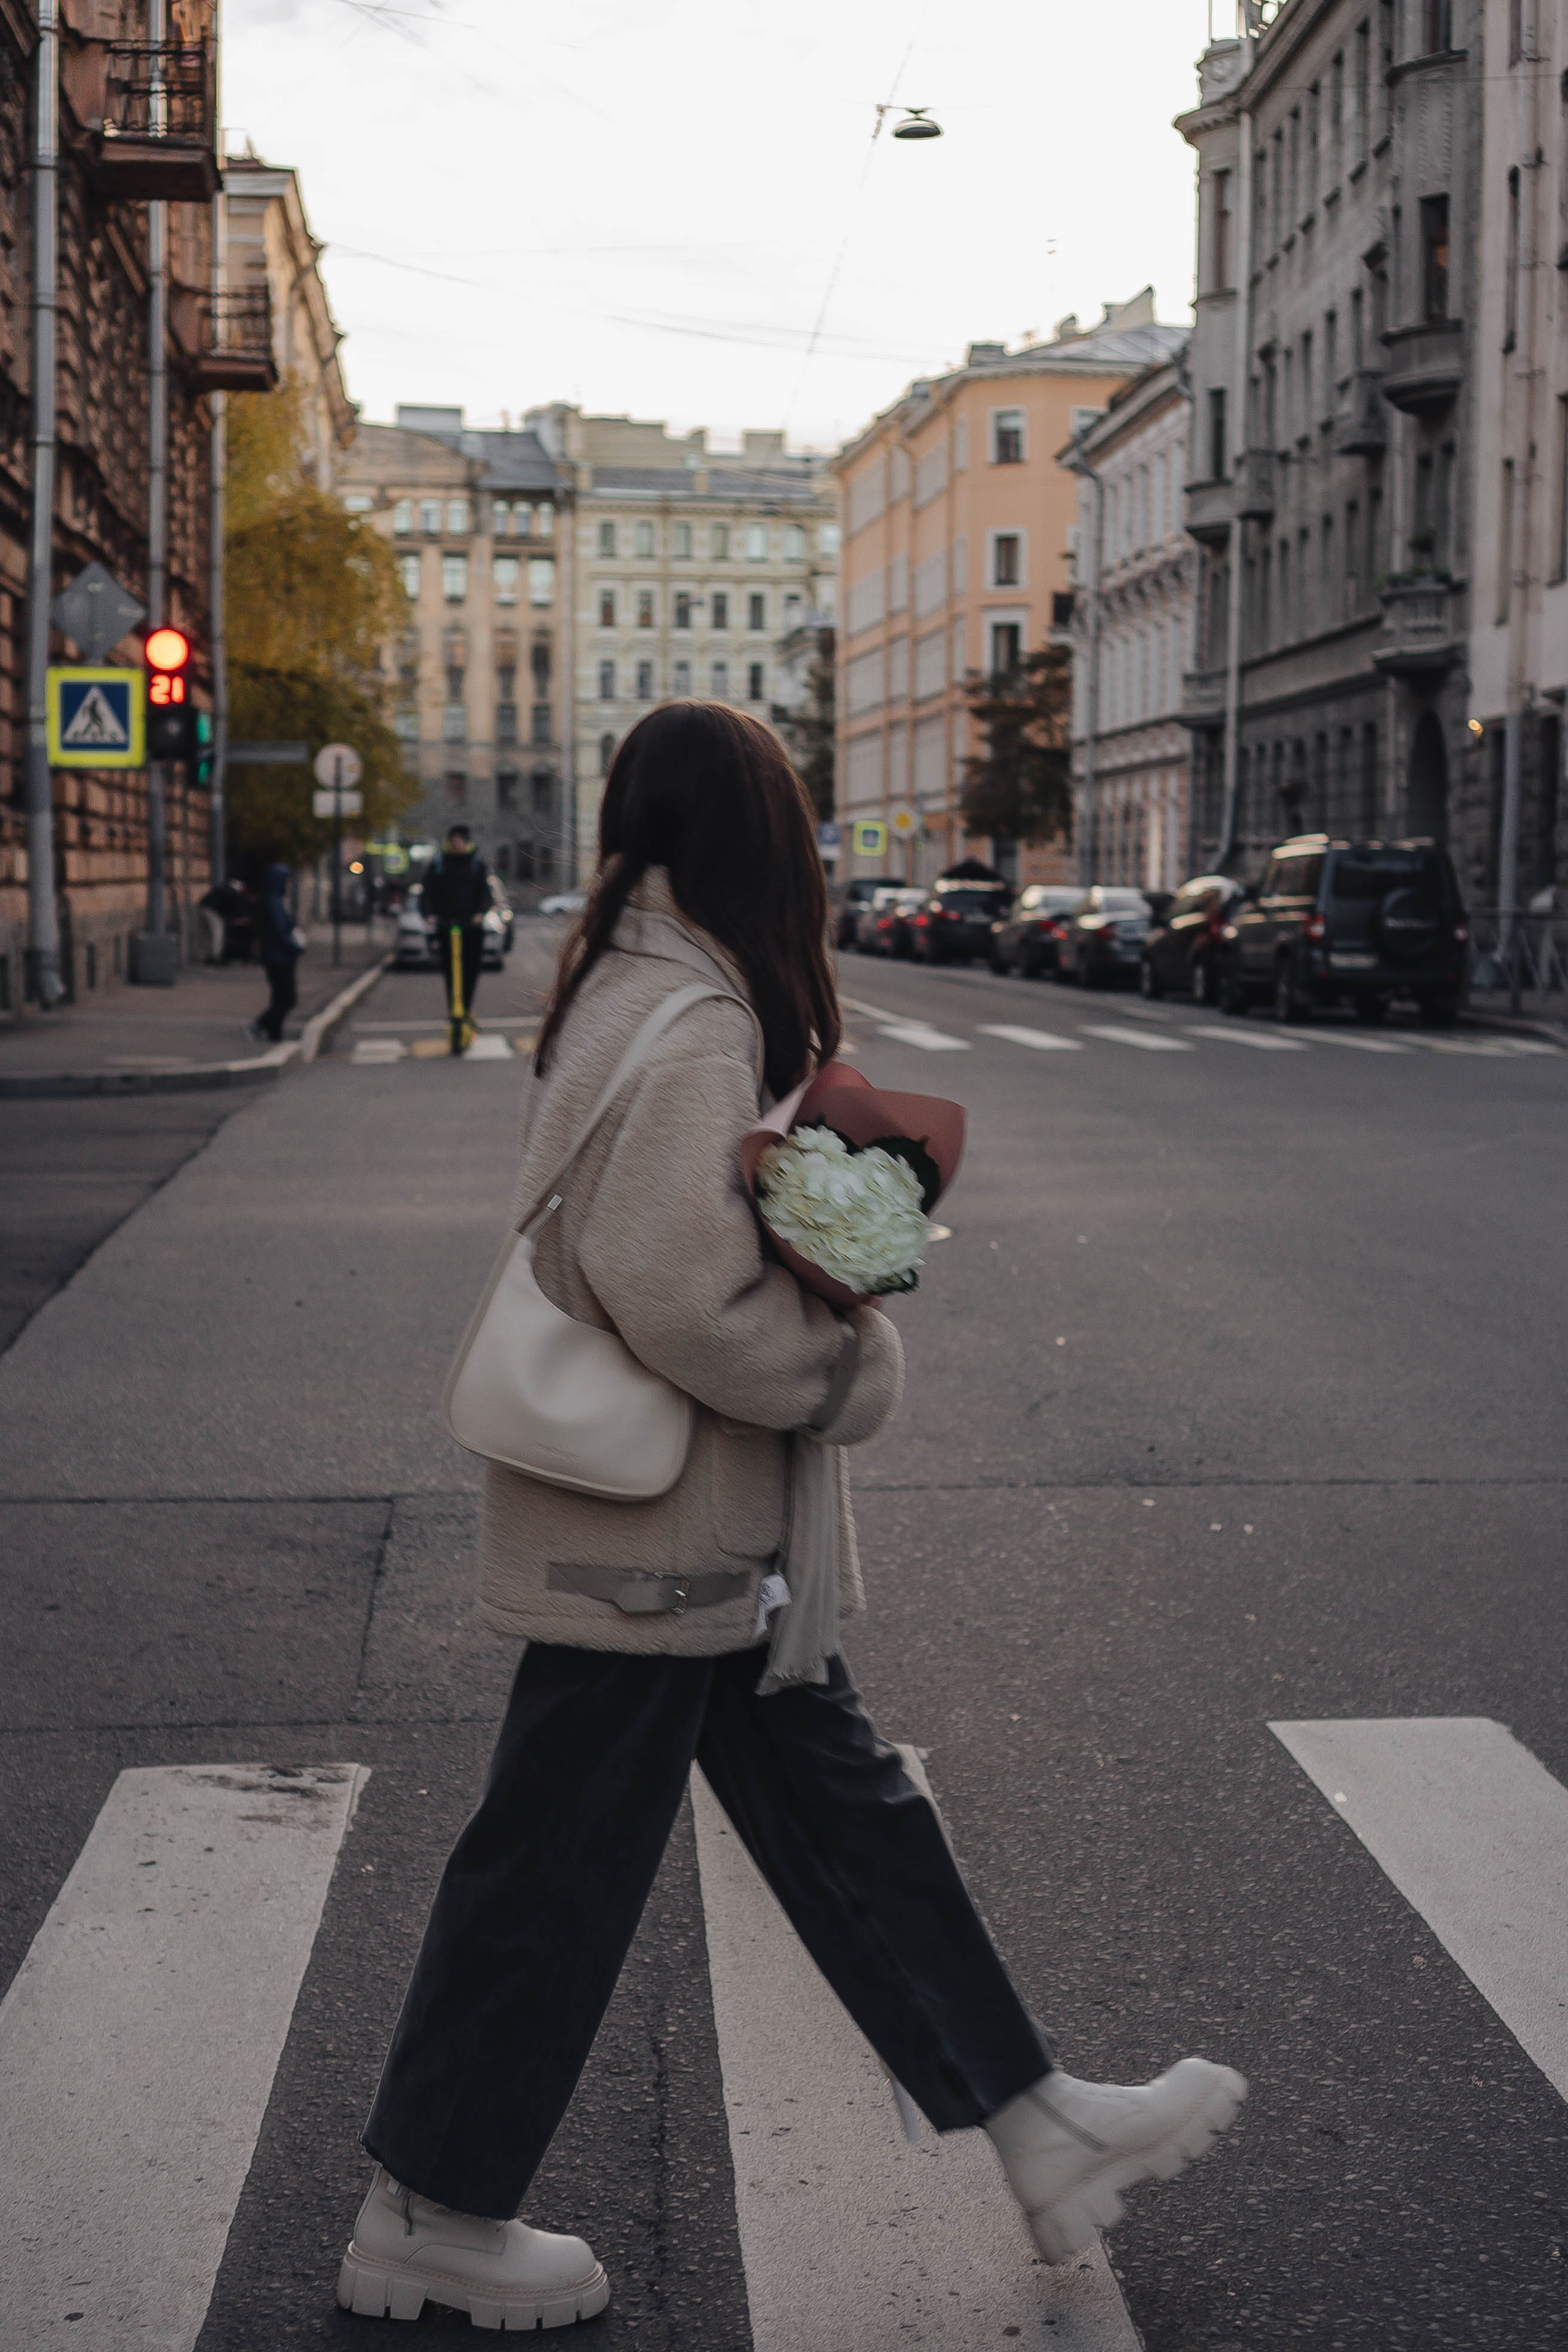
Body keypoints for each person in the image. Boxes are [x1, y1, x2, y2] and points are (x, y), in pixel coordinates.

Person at [337, 703, 1246, 2332]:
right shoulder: (689, 1021)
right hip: (655, 1538)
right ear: (764, 844)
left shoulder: (630, 983)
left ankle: (1035, 2125)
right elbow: (676, 1289)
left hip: (692, 1540)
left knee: (851, 1819)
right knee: (553, 1871)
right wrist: (847, 1365)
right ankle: (429, 2215)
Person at [422, 822, 491, 1052]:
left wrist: (480, 913)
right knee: (451, 974)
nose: (457, 844)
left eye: (461, 840)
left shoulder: (477, 865)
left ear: (466, 842)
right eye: (454, 840)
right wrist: (430, 915)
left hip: (471, 928)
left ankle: (466, 1009)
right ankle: (455, 1012)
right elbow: (427, 893)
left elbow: (485, 894)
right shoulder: (438, 865)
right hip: (446, 926)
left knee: (470, 972)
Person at [250, 863, 303, 1043]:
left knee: (280, 998)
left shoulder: (274, 900)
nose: (288, 884)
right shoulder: (273, 902)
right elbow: (279, 932)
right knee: (288, 998)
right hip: (279, 957)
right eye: (286, 880)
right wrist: (294, 947)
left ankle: (275, 1034)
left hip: (279, 957)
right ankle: (261, 1024)